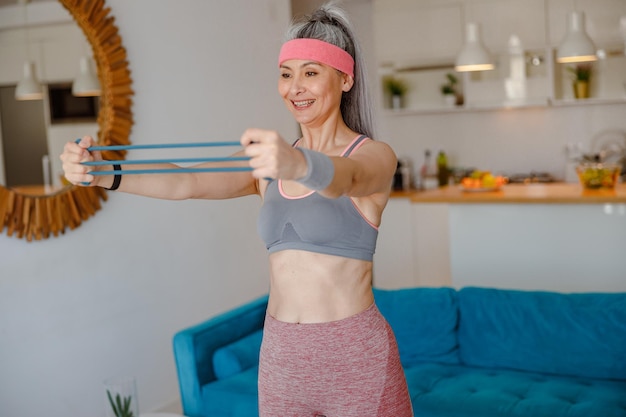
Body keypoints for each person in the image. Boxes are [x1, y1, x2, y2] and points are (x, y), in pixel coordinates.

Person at [61, 3, 413, 417]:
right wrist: (103, 173)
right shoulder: (266, 166)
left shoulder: (374, 156)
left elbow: (348, 177)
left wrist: (298, 164)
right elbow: (186, 182)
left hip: (354, 357)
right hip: (281, 355)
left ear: (346, 78)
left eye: (311, 73)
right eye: (286, 74)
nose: (295, 87)